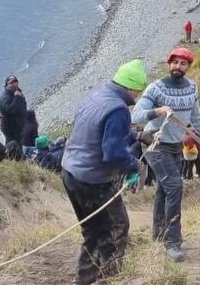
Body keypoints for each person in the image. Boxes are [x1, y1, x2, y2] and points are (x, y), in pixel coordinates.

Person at [60, 60, 146, 285]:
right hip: (92, 179)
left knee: (92, 230)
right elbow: (113, 152)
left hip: (70, 172)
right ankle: (111, 277)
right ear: (130, 87)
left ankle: (84, 279)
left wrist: (135, 136)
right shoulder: (118, 109)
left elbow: (101, 134)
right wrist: (135, 165)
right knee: (115, 228)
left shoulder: (97, 97)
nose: (137, 95)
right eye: (138, 90)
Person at [131, 46, 200, 262]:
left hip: (175, 145)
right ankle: (172, 242)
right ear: (168, 63)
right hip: (154, 143)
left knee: (164, 188)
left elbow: (196, 117)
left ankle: (158, 233)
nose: (178, 66)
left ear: (188, 66)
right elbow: (137, 115)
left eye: (183, 63)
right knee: (175, 186)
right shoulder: (156, 89)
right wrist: (158, 111)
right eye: (175, 62)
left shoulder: (192, 88)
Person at [0, 75, 27, 149]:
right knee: (13, 145)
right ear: (6, 85)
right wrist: (17, 97)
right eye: (11, 83)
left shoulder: (16, 91)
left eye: (16, 82)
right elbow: (11, 110)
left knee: (22, 143)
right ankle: (9, 157)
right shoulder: (4, 98)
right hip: (11, 129)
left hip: (19, 125)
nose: (15, 84)